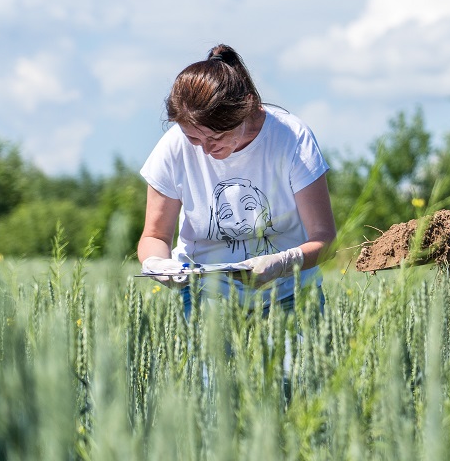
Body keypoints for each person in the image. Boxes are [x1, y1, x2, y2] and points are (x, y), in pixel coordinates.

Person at [138, 44, 337, 313]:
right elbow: (155, 234)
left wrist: (283, 263)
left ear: (245, 109)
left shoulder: (291, 137)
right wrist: (158, 264)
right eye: (194, 138)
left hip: (291, 296)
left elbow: (325, 238)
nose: (206, 149)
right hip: (204, 300)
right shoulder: (172, 147)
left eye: (216, 137)